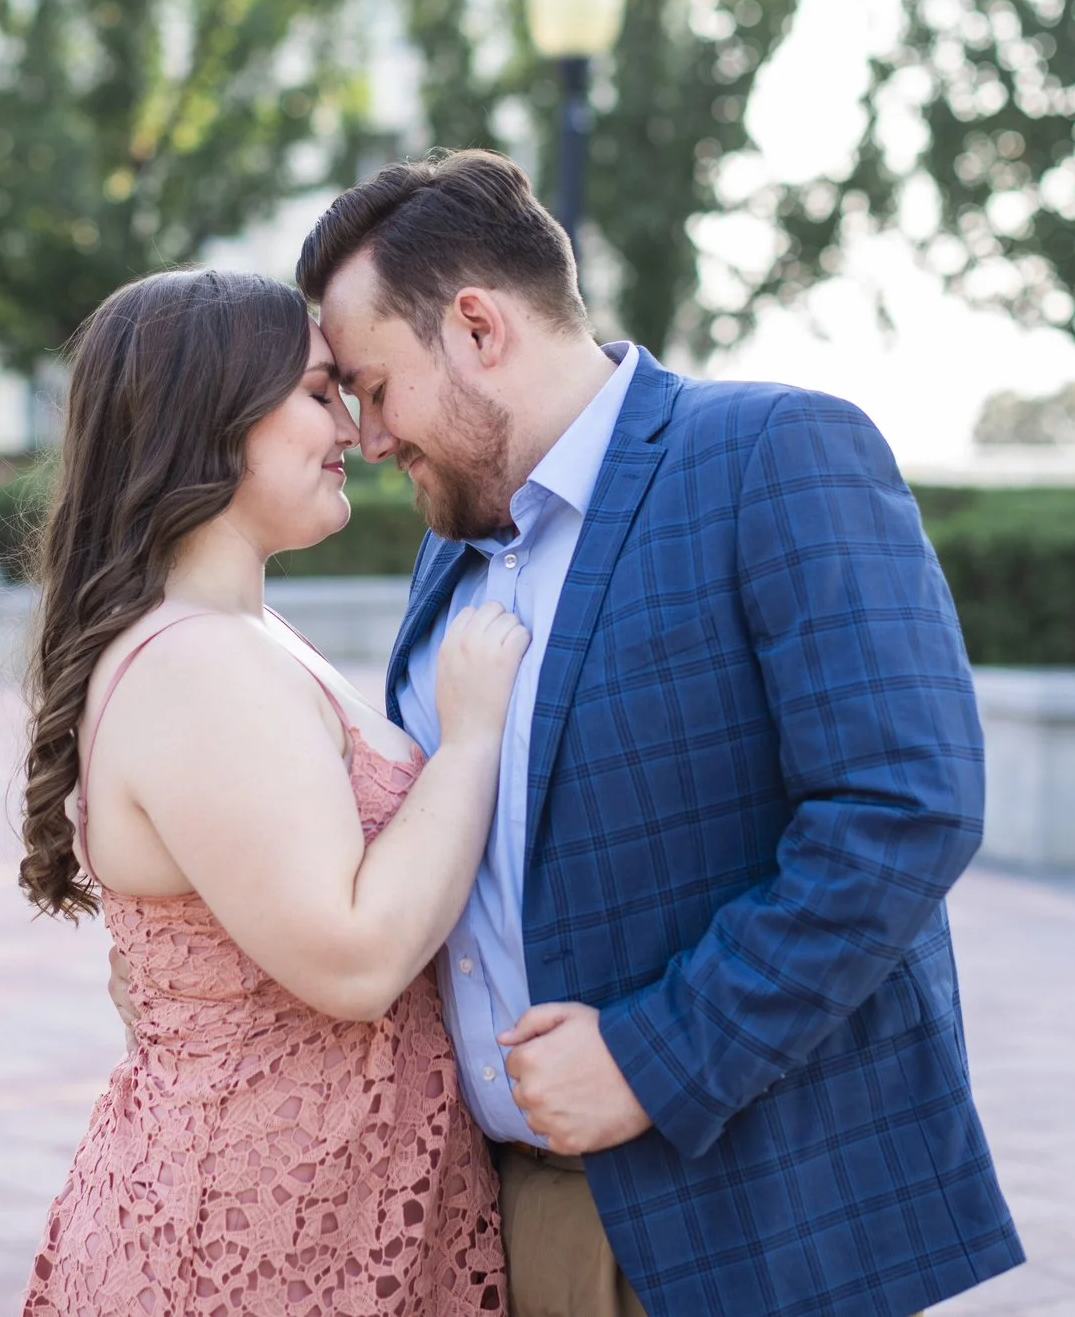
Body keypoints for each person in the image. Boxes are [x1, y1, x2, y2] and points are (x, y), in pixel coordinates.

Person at [173, 148, 1021, 1317]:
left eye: (370, 384)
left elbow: (902, 807)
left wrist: (653, 1053)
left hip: (751, 1215)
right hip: (516, 1219)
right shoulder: (450, 541)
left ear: (476, 326)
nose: (366, 436)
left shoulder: (772, 453)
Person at [16, 267, 526, 1316]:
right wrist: (471, 739)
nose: (352, 424)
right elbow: (350, 958)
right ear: (208, 420)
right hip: (252, 1242)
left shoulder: (242, 632)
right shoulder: (196, 663)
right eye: (313, 391)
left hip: (320, 1220)